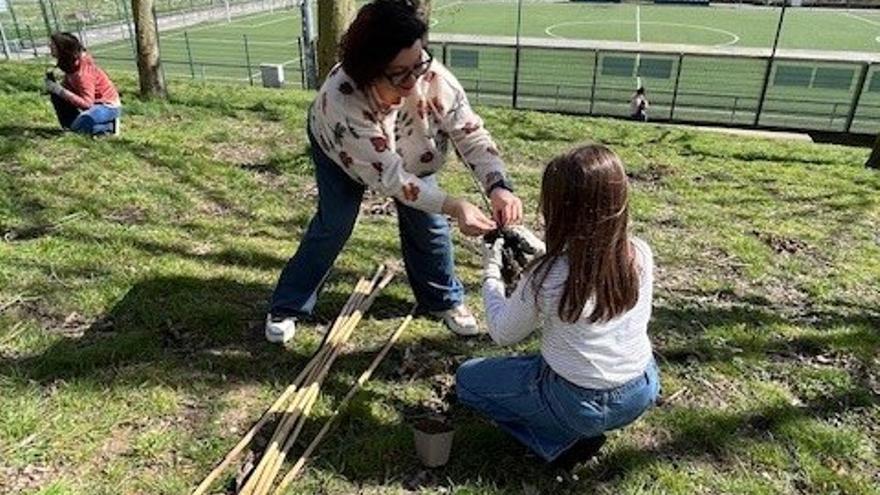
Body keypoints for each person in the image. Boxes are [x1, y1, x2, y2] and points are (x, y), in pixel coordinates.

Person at [265, 0, 523, 343]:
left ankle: (442, 299)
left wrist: (498, 185)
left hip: (411, 152)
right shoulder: (343, 102)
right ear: (370, 69)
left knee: (429, 226)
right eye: (400, 72)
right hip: (341, 151)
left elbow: (470, 133)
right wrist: (455, 206)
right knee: (335, 223)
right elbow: (392, 180)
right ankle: (288, 305)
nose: (415, 78)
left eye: (419, 63)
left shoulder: (432, 77)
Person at [456, 145, 660, 470]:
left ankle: (559, 443)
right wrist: (536, 247)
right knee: (542, 363)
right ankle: (572, 425)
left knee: (467, 380)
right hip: (639, 390)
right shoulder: (639, 253)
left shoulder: (546, 277)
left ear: (560, 210)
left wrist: (491, 270)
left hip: (575, 403)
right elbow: (585, 269)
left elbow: (502, 332)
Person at [44, 32, 121, 136]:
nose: (50, 48)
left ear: (63, 49)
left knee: (81, 123)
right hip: (92, 106)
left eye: (53, 46)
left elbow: (87, 103)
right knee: (57, 97)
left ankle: (108, 127)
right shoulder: (71, 64)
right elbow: (69, 87)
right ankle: (73, 127)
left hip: (106, 106)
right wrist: (55, 88)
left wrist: (59, 90)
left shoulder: (83, 73)